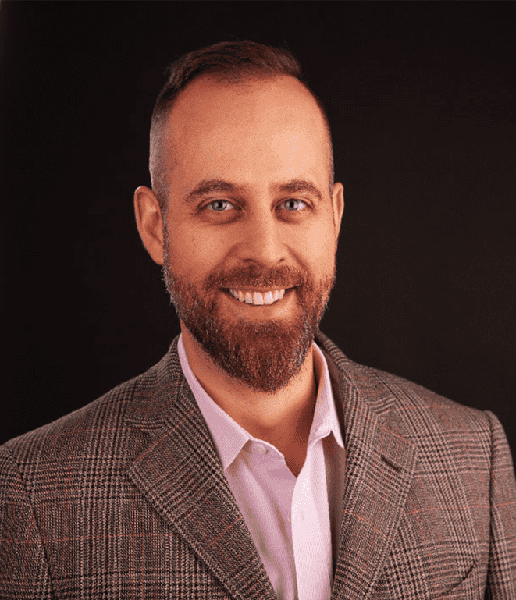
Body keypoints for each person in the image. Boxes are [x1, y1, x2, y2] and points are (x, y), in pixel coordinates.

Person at [1, 40, 515, 600]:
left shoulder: (474, 455)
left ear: (334, 217)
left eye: (293, 203)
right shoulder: (32, 496)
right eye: (219, 204)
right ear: (154, 226)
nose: (265, 252)